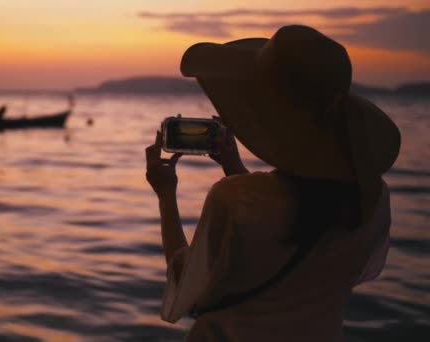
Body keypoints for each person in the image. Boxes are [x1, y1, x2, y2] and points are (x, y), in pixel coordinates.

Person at [145, 25, 400, 341]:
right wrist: (233, 165)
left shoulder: (234, 199)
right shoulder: (372, 201)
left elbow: (187, 287)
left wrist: (165, 195)